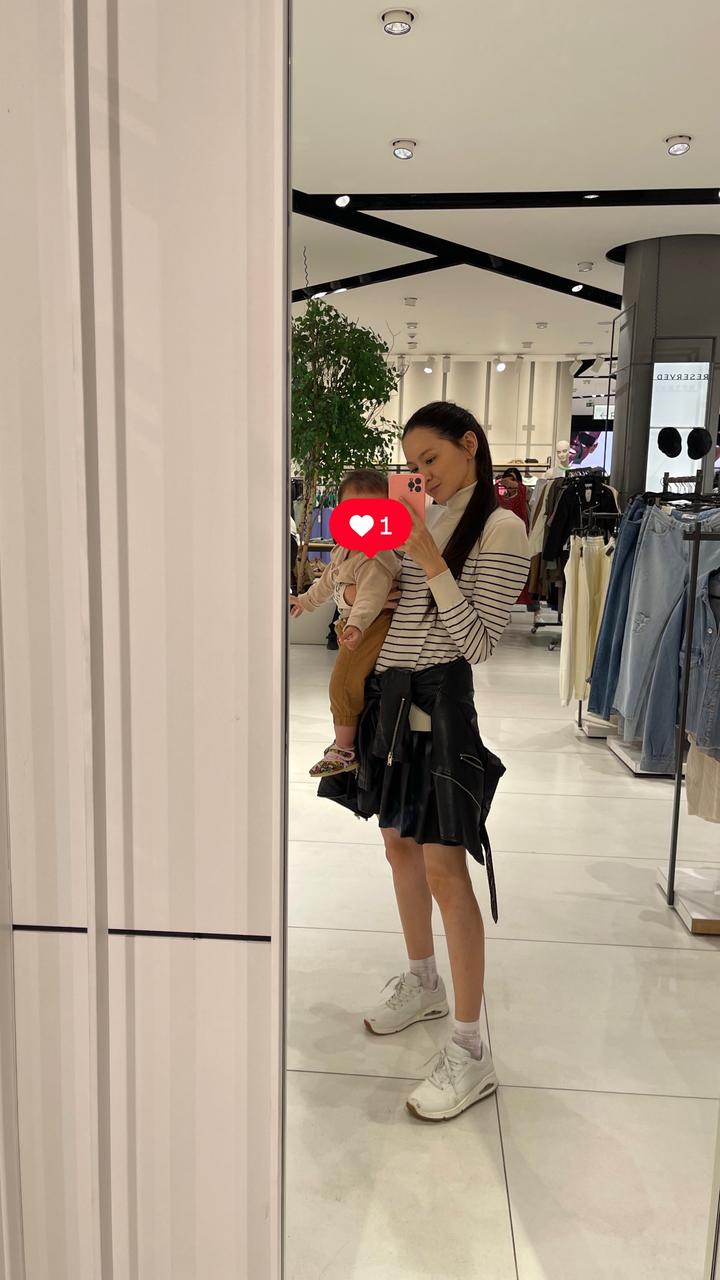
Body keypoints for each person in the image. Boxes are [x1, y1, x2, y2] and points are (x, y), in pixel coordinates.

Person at [318, 402, 530, 1122]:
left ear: (470, 445)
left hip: (441, 706)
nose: (423, 476)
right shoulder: (418, 516)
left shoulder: (501, 528)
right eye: (413, 465)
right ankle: (423, 981)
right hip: (390, 697)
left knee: (446, 869)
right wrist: (354, 587)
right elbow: (384, 598)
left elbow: (478, 642)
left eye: (431, 460)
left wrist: (432, 559)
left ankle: (470, 1049)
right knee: (397, 846)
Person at [290, 469, 401, 778]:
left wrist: (357, 626)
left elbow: (370, 598)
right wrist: (305, 601)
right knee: (346, 680)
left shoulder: (375, 555)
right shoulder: (344, 550)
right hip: (355, 622)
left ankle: (344, 748)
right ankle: (345, 739)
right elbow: (328, 582)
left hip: (371, 624)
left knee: (343, 682)